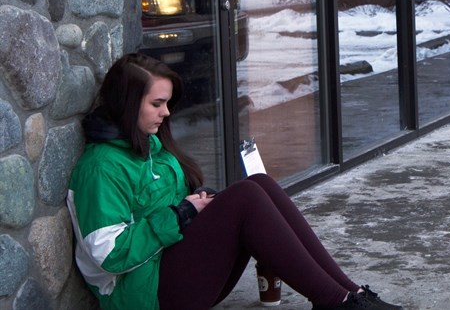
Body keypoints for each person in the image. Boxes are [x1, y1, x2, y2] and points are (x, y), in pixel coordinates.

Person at [66, 53, 403, 310]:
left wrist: (198, 203)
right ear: (127, 103)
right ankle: (339, 302)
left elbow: (168, 205)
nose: (167, 113)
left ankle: (351, 295)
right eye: (157, 104)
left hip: (173, 272)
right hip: (145, 295)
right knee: (245, 198)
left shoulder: (149, 145)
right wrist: (182, 213)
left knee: (260, 184)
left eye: (168, 103)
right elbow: (108, 254)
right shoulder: (101, 167)